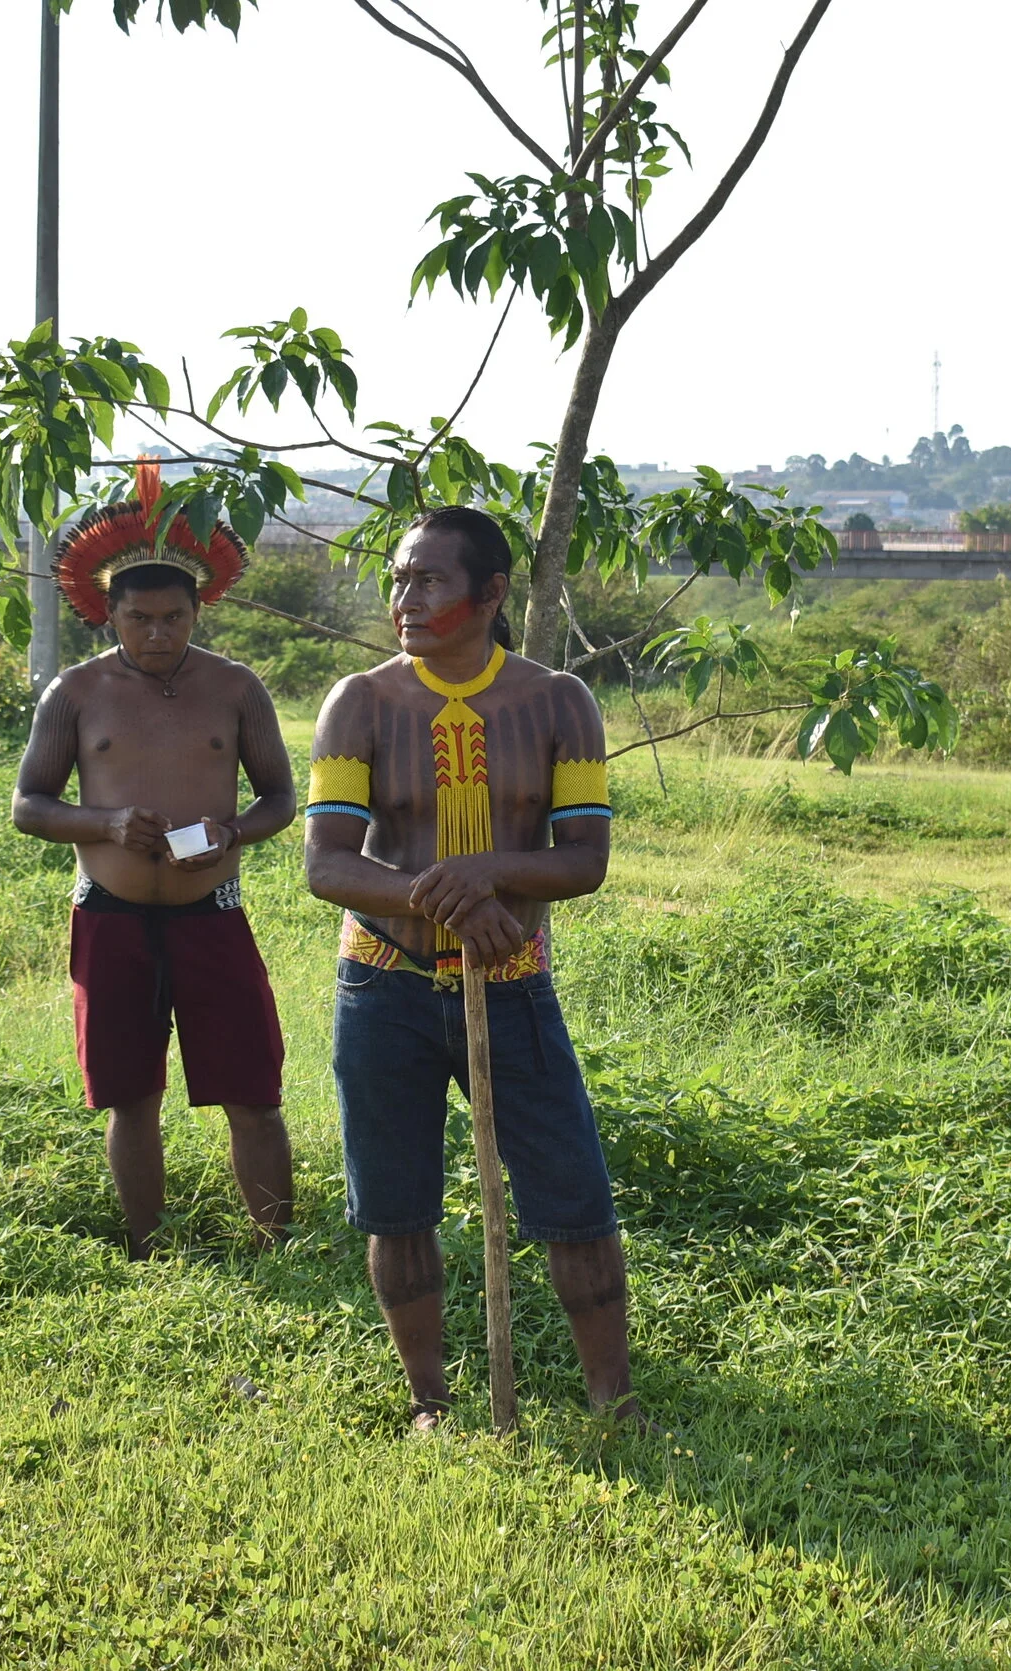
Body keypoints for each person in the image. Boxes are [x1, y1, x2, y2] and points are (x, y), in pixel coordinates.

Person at [303, 505, 639, 1433]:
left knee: (573, 1194)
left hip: (512, 978)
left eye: (430, 580)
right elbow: (327, 864)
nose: (404, 598)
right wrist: (443, 898)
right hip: (383, 985)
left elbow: (584, 861)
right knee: (395, 1202)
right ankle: (430, 1400)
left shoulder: (560, 702)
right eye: (400, 578)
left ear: (493, 594)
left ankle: (615, 1399)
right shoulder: (359, 702)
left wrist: (485, 874)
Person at [12, 462, 299, 1260]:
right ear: (110, 614)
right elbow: (28, 804)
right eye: (141, 619)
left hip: (213, 914)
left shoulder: (237, 689)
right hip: (110, 918)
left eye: (176, 617)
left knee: (252, 1091)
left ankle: (278, 1244)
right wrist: (104, 823)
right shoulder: (74, 693)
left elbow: (281, 798)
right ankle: (146, 1249)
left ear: (199, 609)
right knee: (130, 1096)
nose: (160, 634)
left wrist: (233, 832)